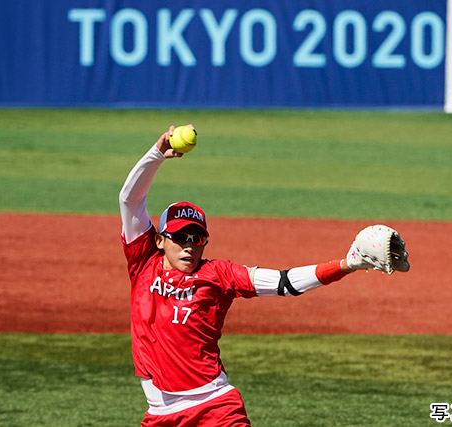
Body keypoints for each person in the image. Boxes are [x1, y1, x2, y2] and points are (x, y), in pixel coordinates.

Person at [119, 125, 410, 427]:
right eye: (181, 237)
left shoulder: (218, 274)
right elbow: (129, 200)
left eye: (198, 239)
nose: (190, 246)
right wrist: (156, 155)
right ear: (159, 240)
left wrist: (346, 264)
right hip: (160, 415)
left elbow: (285, 283)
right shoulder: (143, 263)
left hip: (215, 408)